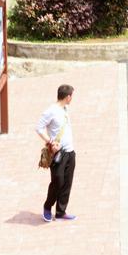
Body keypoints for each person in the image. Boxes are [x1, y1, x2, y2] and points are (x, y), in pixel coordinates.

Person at [36, 84, 76, 222]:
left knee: (67, 183)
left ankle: (61, 212)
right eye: (71, 96)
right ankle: (47, 207)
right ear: (68, 97)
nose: (72, 99)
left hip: (70, 151)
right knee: (58, 181)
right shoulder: (51, 111)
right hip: (58, 154)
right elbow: (39, 128)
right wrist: (50, 142)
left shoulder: (65, 109)